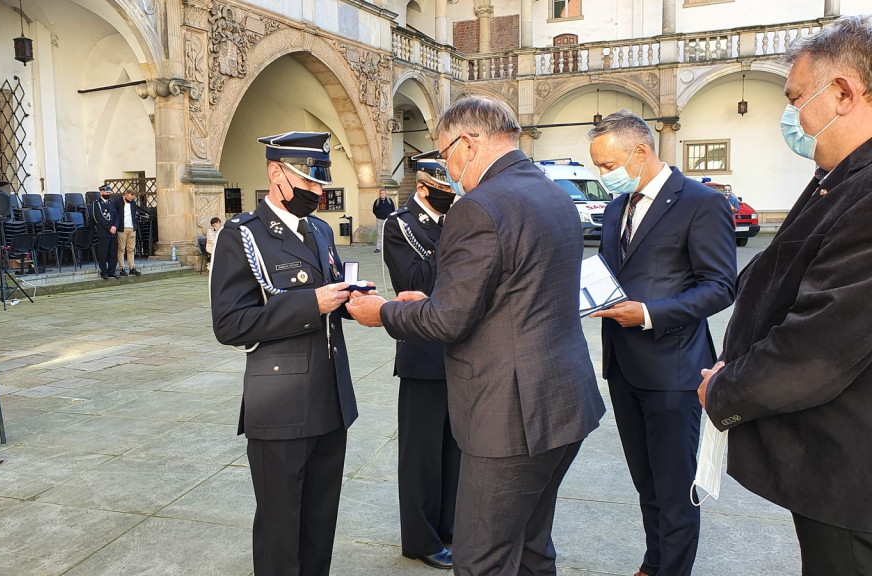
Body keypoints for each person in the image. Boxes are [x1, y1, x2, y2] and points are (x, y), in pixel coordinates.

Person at [348, 95, 605, 576]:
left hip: (509, 416)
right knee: (531, 547)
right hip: (564, 401)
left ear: (468, 144)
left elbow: (449, 320)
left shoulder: (479, 207)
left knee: (481, 558)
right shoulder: (552, 193)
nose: (448, 170)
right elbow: (510, 294)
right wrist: (426, 303)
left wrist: (382, 312)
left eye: (446, 155)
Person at [699, 15, 872, 575]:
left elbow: (820, 345)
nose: (792, 116)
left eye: (796, 98)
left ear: (842, 93)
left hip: (852, 476)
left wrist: (723, 389)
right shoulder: (842, 176)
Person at [587, 110, 736, 576]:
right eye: (597, 166)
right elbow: (613, 271)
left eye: (608, 165)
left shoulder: (700, 202)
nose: (602, 175)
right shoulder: (617, 207)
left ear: (640, 152)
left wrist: (650, 313)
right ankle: (654, 563)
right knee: (646, 482)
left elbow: (720, 286)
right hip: (622, 366)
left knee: (674, 488)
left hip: (673, 368)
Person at [209, 131, 358, 576]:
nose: (317, 190)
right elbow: (230, 324)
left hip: (331, 397)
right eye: (308, 181)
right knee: (280, 528)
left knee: (320, 522)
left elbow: (331, 294)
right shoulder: (243, 235)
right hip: (281, 406)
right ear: (276, 173)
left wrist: (358, 302)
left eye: (319, 182)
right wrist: (312, 303)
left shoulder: (320, 230)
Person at [382, 151, 460, 570]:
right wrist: (455, 239)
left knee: (455, 449)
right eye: (445, 189)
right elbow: (417, 282)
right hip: (422, 353)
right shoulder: (401, 225)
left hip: (458, 350)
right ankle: (420, 538)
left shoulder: (452, 222)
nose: (452, 196)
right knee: (421, 455)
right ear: (424, 187)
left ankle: (449, 527)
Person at [91, 184, 119, 279]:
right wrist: (109, 227)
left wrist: (115, 226)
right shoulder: (97, 203)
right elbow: (98, 218)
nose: (108, 194)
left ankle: (112, 271)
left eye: (109, 192)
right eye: (107, 192)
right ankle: (104, 272)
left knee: (113, 253)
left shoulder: (111, 202)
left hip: (113, 232)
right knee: (103, 253)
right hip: (103, 232)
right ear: (101, 192)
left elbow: (116, 216)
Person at [114, 189, 142, 276]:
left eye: (132, 198)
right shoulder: (118, 202)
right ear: (125, 194)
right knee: (121, 249)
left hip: (131, 227)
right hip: (122, 228)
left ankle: (132, 267)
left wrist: (134, 226)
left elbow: (134, 214)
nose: (130, 200)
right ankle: (122, 268)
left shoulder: (133, 203)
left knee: (131, 249)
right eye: (129, 198)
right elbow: (115, 215)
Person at [372, 187, 394, 252]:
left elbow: (393, 209)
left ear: (385, 194)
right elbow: (374, 210)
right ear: (379, 194)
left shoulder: (389, 201)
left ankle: (388, 248)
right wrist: (378, 215)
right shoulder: (377, 201)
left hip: (388, 220)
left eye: (383, 193)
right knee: (379, 234)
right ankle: (378, 248)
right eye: (381, 193)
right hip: (379, 220)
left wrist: (390, 217)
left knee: (388, 233)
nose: (382, 194)